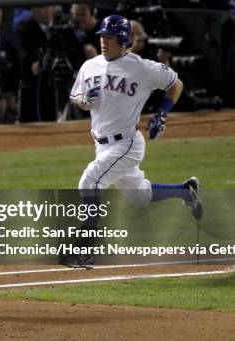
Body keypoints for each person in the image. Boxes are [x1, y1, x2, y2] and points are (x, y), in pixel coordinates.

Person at [65, 15, 203, 268]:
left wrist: (162, 112)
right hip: (101, 144)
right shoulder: (89, 66)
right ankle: (186, 191)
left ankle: (84, 249)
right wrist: (84, 102)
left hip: (127, 143)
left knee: (91, 180)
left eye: (110, 37)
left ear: (124, 39)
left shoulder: (140, 67)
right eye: (102, 36)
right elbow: (77, 98)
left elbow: (176, 84)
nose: (104, 41)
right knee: (140, 196)